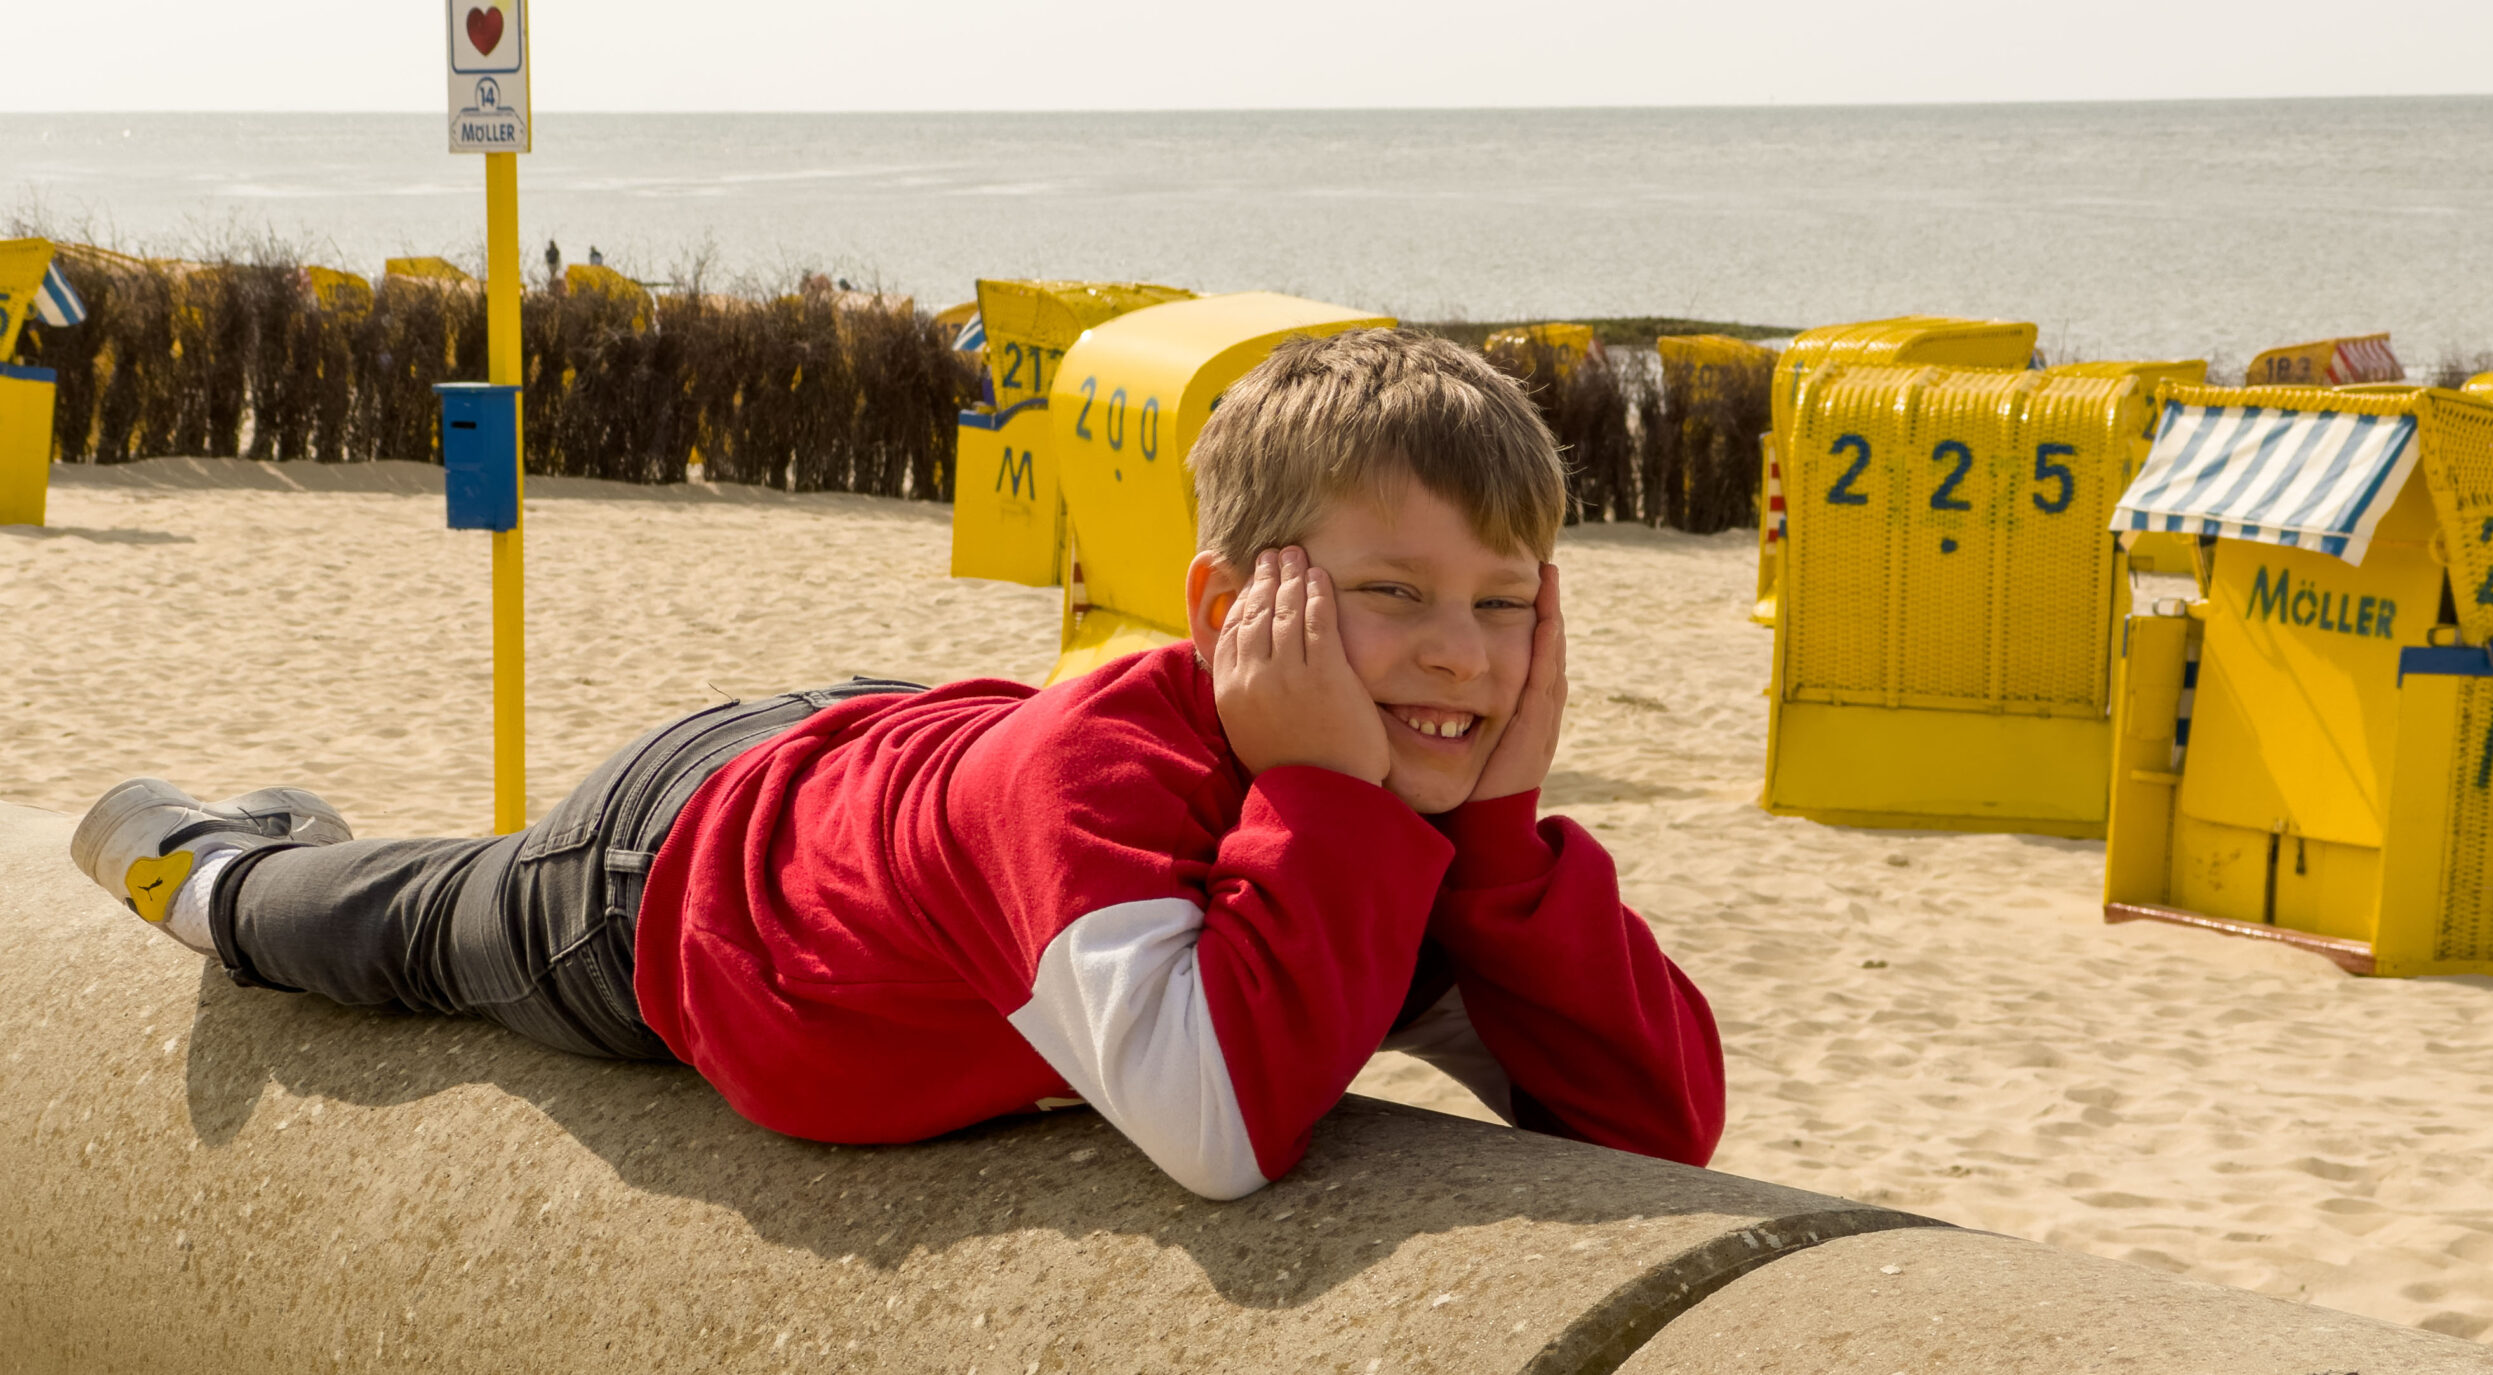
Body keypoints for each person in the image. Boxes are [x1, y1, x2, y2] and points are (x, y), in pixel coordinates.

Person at [70, 328, 1724, 1199]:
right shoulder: (1158, 796)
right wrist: (1314, 798)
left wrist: (1502, 839)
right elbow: (1217, 1129)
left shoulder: (1381, 818)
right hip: (694, 859)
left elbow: (1648, 1126)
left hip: (923, 764)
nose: (1461, 653)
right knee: (425, 935)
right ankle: (219, 868)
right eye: (1391, 595)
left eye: (1507, 606)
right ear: (1228, 609)